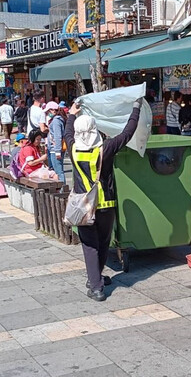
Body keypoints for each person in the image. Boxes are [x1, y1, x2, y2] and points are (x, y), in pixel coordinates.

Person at [66, 98, 143, 302]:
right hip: (106, 205)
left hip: (83, 206)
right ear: (94, 129)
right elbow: (128, 132)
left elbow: (67, 132)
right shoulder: (105, 148)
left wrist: (71, 113)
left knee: (90, 244)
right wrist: (136, 108)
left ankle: (96, 285)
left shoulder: (73, 149)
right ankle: (95, 280)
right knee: (102, 242)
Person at [44, 101, 66, 183]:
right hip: (54, 148)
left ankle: (62, 189)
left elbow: (58, 136)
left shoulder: (56, 121)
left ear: (53, 110)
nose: (47, 113)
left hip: (55, 149)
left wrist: (57, 151)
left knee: (59, 172)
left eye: (48, 111)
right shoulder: (57, 120)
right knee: (57, 171)